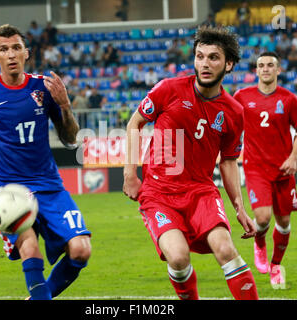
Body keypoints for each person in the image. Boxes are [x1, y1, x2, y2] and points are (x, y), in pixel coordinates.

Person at [0, 24, 91, 300]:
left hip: (50, 186)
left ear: (27, 53)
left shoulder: (44, 88)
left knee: (81, 250)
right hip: (8, 191)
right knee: (29, 248)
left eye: (16, 48)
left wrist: (65, 106)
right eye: (3, 49)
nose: (11, 54)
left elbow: (71, 139)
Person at [123, 25, 259, 300]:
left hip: (200, 192)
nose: (205, 64)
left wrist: (240, 208)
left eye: (213, 57)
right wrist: (130, 174)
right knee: (178, 257)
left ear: (229, 64)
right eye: (200, 56)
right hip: (159, 193)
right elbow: (135, 123)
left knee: (225, 248)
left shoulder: (234, 112)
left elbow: (229, 162)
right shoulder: (169, 89)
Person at [233, 52, 297, 289]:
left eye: (270, 65)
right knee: (263, 218)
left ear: (278, 70)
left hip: (283, 170)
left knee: (284, 222)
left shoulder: (289, 99)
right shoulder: (242, 97)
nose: (265, 69)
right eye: (261, 65)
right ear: (256, 70)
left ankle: (276, 266)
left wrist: (293, 157)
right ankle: (260, 243)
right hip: (256, 169)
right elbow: (230, 123)